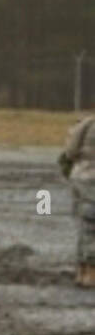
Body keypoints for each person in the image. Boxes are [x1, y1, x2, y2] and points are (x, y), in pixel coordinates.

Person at [59, 113, 95, 288]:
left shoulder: (86, 123)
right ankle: (91, 272)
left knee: (84, 225)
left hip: (81, 178)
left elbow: (70, 152)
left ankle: (82, 271)